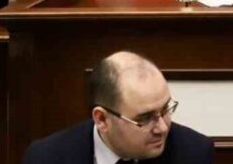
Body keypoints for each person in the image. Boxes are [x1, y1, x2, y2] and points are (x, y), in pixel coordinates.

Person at [23, 51, 213, 164]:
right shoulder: (47, 158)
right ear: (102, 119)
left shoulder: (193, 153)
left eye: (165, 110)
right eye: (145, 118)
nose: (162, 128)